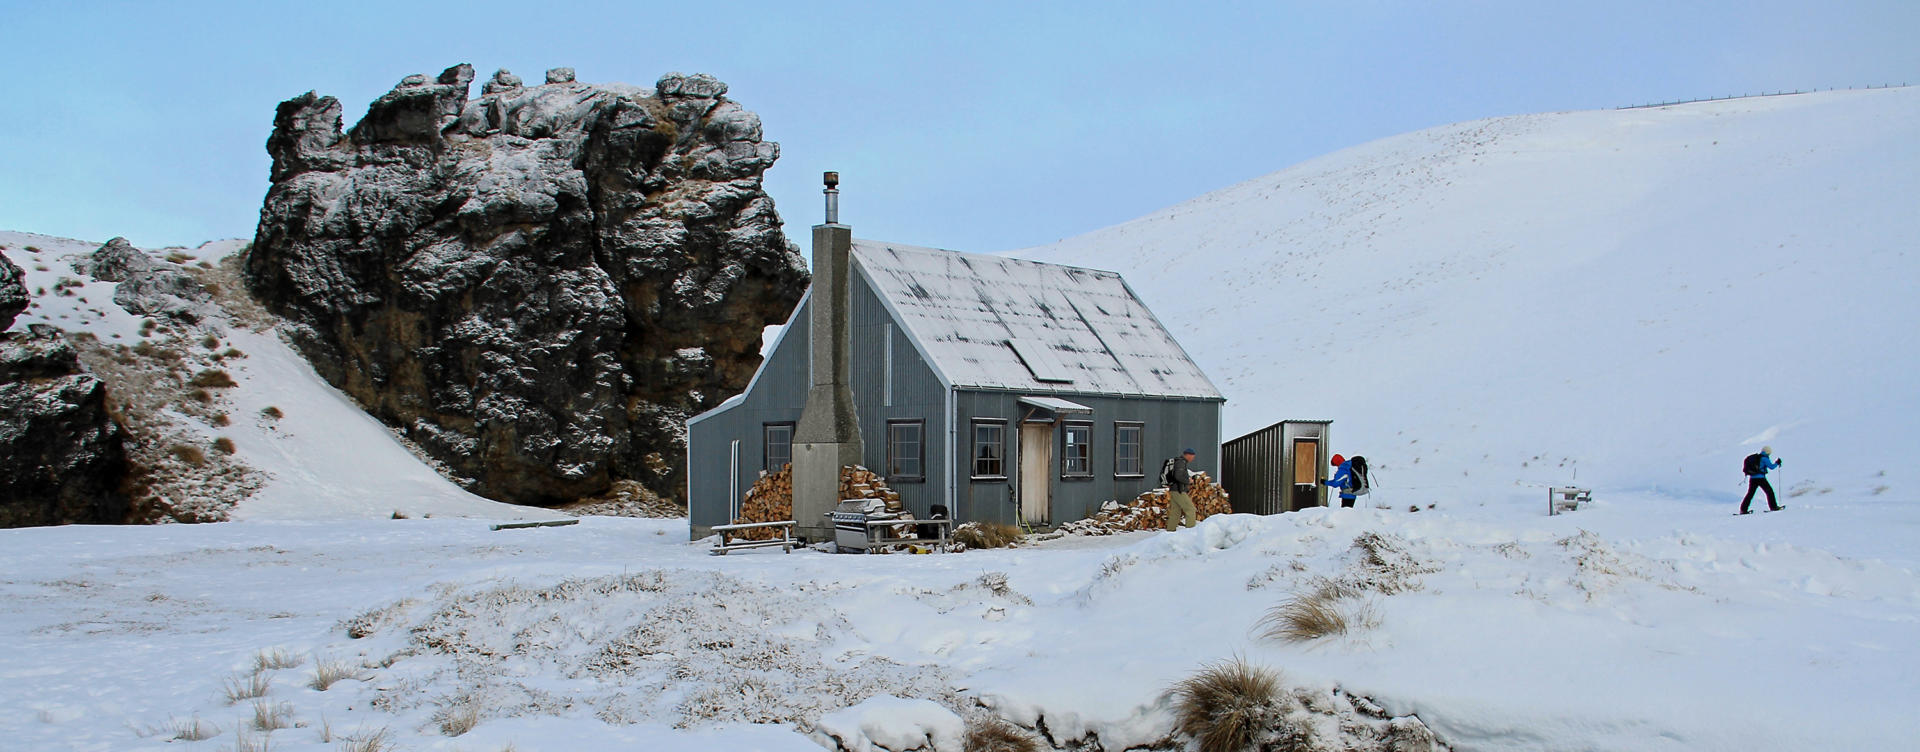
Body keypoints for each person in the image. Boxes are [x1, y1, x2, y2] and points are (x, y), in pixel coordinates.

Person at [1740, 445, 1783, 514]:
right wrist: (1777, 463)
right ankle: (1773, 507)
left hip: (1752, 479)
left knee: (1750, 494)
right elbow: (1771, 467)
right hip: (1761, 478)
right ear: (1768, 452)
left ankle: (1743, 509)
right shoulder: (1765, 458)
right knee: (1769, 492)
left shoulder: (1757, 457)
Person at [1165, 448, 1199, 530]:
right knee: (1190, 509)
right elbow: (1178, 476)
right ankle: (1191, 532)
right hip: (1178, 490)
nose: (1193, 458)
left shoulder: (1178, 462)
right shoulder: (1181, 462)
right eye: (1192, 456)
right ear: (1187, 455)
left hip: (1174, 490)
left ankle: (1170, 532)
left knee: (1175, 512)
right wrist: (1188, 480)